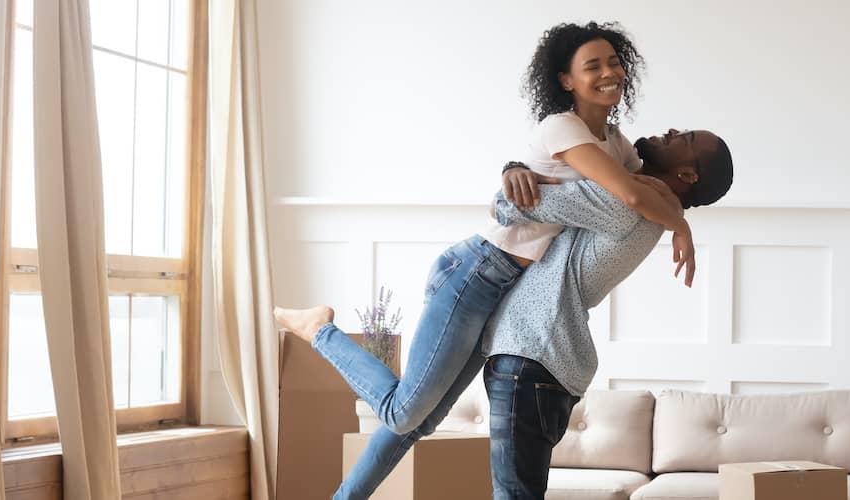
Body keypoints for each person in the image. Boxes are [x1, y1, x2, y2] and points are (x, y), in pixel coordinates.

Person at [273, 21, 699, 499]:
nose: (609, 72)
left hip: (504, 293)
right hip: (476, 272)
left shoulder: (617, 144)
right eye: (592, 65)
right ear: (566, 80)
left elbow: (649, 191)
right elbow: (629, 195)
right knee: (405, 413)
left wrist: (676, 217)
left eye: (614, 62)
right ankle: (320, 330)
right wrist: (678, 225)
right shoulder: (564, 126)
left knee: (418, 422)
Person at [482, 129, 734, 499]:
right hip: (539, 358)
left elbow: (508, 205)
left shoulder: (628, 199)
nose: (672, 132)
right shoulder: (645, 201)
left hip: (533, 353)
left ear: (688, 174)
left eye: (686, 138)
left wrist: (516, 175)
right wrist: (517, 169)